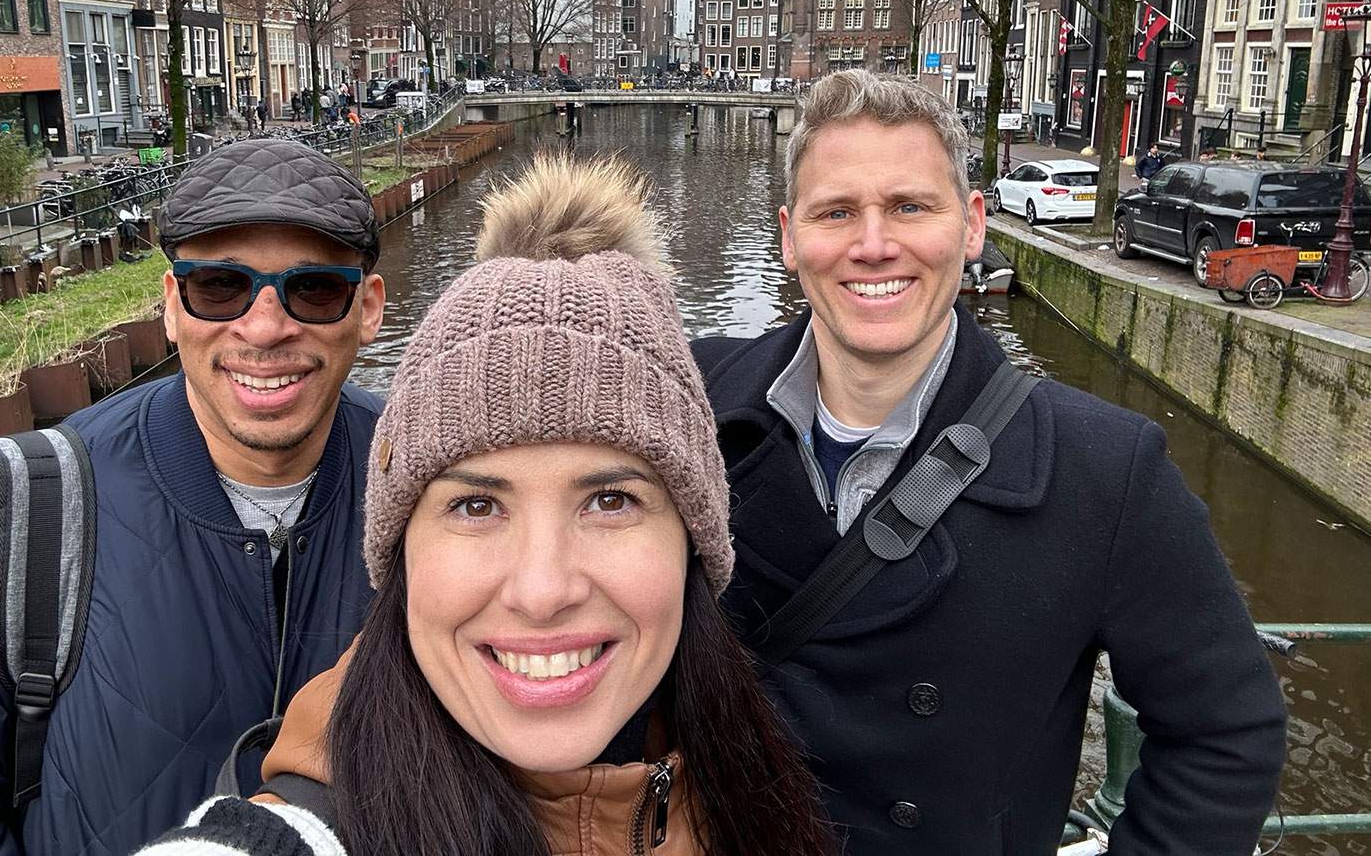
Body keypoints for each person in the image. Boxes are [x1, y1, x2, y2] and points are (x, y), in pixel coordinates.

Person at [135, 155, 832, 856]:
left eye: (610, 499)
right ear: (401, 549)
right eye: (475, 506)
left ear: (693, 536)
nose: (541, 589)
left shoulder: (756, 790)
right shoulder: (322, 821)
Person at [691, 70, 1287, 854]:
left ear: (972, 225)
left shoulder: (1105, 470)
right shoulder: (691, 399)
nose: (874, 243)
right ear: (790, 237)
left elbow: (1227, 728)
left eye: (910, 206)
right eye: (837, 211)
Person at [0, 138, 388, 855]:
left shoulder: (434, 489)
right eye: (220, 286)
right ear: (172, 305)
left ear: (367, 308)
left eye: (315, 289)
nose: (266, 327)